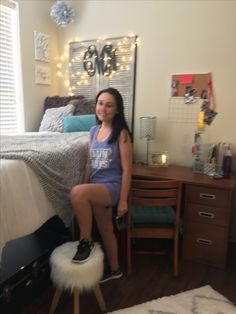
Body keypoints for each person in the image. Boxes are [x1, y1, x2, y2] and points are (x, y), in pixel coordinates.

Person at [70, 87, 133, 282]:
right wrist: (84, 186)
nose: (102, 108)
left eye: (109, 105)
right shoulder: (93, 131)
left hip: (112, 187)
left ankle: (85, 241)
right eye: (100, 103)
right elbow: (89, 162)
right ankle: (115, 269)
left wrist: (123, 201)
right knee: (106, 229)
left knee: (76, 193)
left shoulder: (121, 134)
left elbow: (127, 170)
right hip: (96, 187)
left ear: (117, 110)